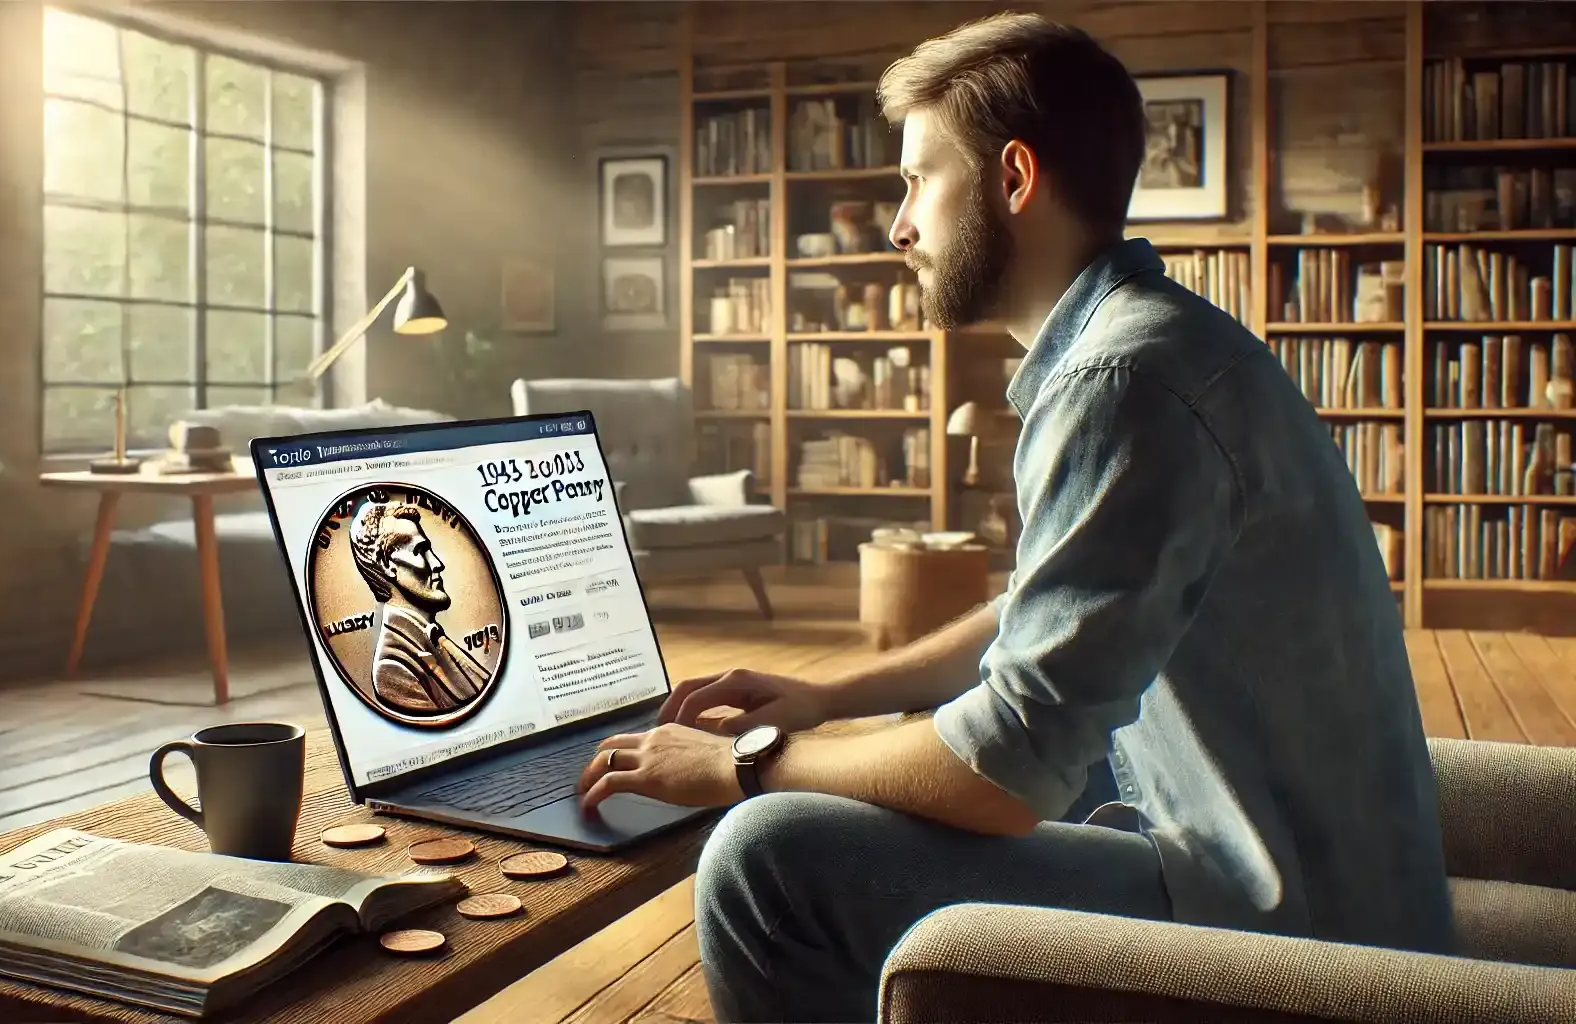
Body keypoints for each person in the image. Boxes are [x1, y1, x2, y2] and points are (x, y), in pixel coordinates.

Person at [573, 12, 1455, 1023]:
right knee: (880, 762)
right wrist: (825, 698)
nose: (899, 225)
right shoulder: (1152, 345)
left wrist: (741, 763)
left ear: (1014, 180)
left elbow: (1000, 774)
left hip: (1287, 932)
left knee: (761, 857)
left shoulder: (1121, 379)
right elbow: (1042, 619)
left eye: (916, 181)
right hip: (1257, 842)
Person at [347, 501, 487, 712]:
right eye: (421, 551)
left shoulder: (434, 639)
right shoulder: (392, 667)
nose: (438, 563)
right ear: (387, 565)